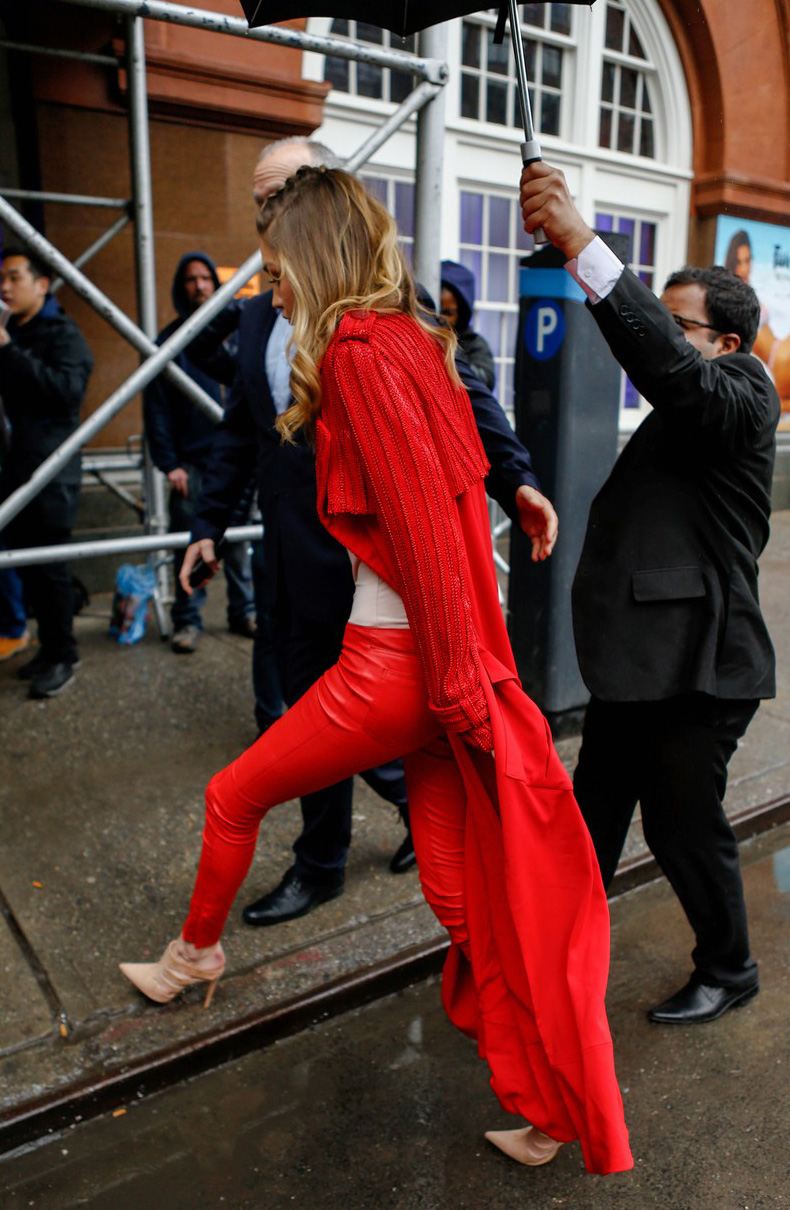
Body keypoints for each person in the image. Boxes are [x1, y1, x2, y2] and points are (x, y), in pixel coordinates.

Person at [119, 166, 632, 1176]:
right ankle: (547, 1101)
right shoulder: (407, 341)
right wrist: (509, 507)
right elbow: (451, 498)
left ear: (307, 255)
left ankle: (195, 955)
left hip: (402, 664)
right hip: (434, 661)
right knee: (461, 900)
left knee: (233, 792)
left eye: (274, 265)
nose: (268, 283)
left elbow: (424, 532)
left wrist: (453, 685)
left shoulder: (356, 349)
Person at [181, 137, 556, 922]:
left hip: (370, 571)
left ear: (323, 208)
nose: (269, 212)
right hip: (290, 550)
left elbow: (463, 407)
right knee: (288, 716)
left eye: (284, 194)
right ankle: (321, 863)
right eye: (262, 201)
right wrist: (206, 526)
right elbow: (236, 434)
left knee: (351, 730)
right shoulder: (260, 316)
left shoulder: (376, 327)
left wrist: (514, 478)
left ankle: (418, 834)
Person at [520, 161, 779, 1025]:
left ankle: (730, 968)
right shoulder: (689, 399)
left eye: (680, 325)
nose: (665, 338)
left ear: (725, 344)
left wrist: (581, 246)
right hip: (640, 662)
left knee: (679, 826)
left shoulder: (742, 395)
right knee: (589, 822)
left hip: (702, 668)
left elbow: (670, 371)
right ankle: (556, 964)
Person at [143, 252, 256, 654]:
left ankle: (244, 612)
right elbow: (155, 408)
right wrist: (169, 462)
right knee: (189, 544)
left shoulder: (240, 335)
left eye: (206, 278)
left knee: (240, 543)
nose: (199, 286)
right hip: (191, 461)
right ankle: (187, 620)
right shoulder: (170, 340)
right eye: (190, 279)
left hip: (238, 461)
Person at [0, 247, 93, 698]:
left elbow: (66, 391)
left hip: (51, 473)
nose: (4, 287)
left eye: (15, 277)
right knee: (28, 566)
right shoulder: (15, 332)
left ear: (42, 284)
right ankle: (47, 648)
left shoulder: (61, 333)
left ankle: (64, 654)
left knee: (50, 565)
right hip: (15, 468)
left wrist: (9, 351)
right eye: (2, 278)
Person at [724, 229, 790, 414]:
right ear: (732, 263)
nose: (745, 268)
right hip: (779, 359)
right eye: (739, 262)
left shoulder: (748, 291)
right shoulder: (733, 296)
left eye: (748, 260)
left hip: (780, 363)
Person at [440, 260, 496, 389]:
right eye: (434, 311)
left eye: (447, 312)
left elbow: (485, 381)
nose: (440, 319)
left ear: (461, 313)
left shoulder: (475, 345)